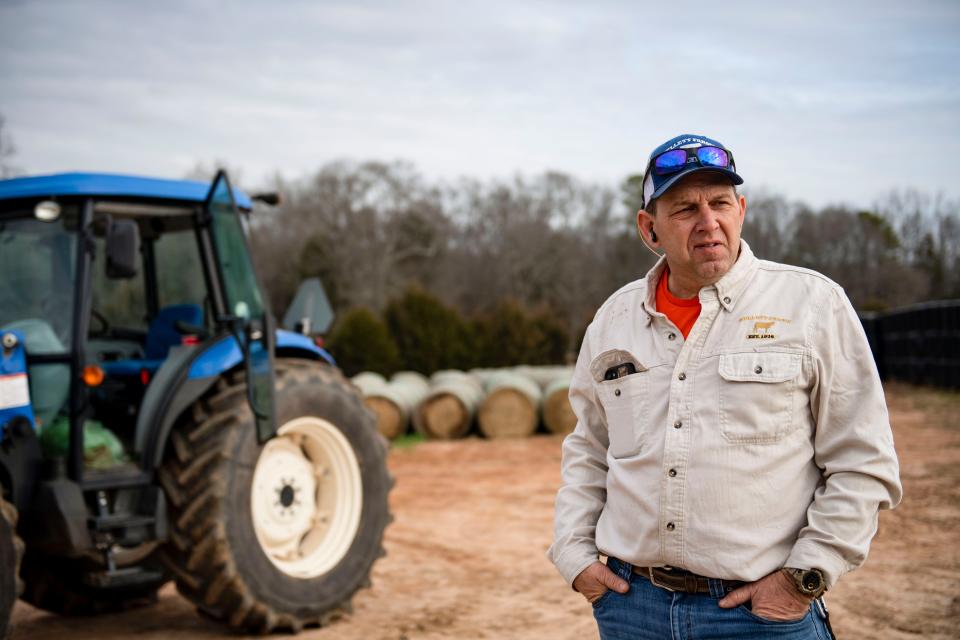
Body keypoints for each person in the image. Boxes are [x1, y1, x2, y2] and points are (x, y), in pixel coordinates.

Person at [548, 133, 902, 639]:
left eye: (719, 202)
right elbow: (589, 450)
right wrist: (574, 555)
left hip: (762, 615)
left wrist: (803, 580)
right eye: (685, 208)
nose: (708, 222)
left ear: (741, 209)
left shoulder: (813, 305)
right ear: (649, 228)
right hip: (634, 610)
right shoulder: (613, 322)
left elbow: (864, 462)